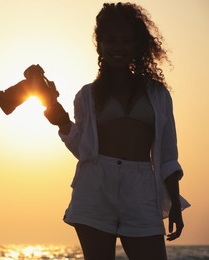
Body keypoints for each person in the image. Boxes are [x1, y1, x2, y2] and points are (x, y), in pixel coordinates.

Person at [43, 2, 190, 260]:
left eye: (125, 41)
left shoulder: (157, 93)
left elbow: (168, 152)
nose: (117, 47)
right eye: (110, 40)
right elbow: (85, 150)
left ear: (136, 45)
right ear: (99, 45)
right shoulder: (87, 95)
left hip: (142, 187)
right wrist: (63, 123)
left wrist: (175, 204)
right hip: (95, 187)